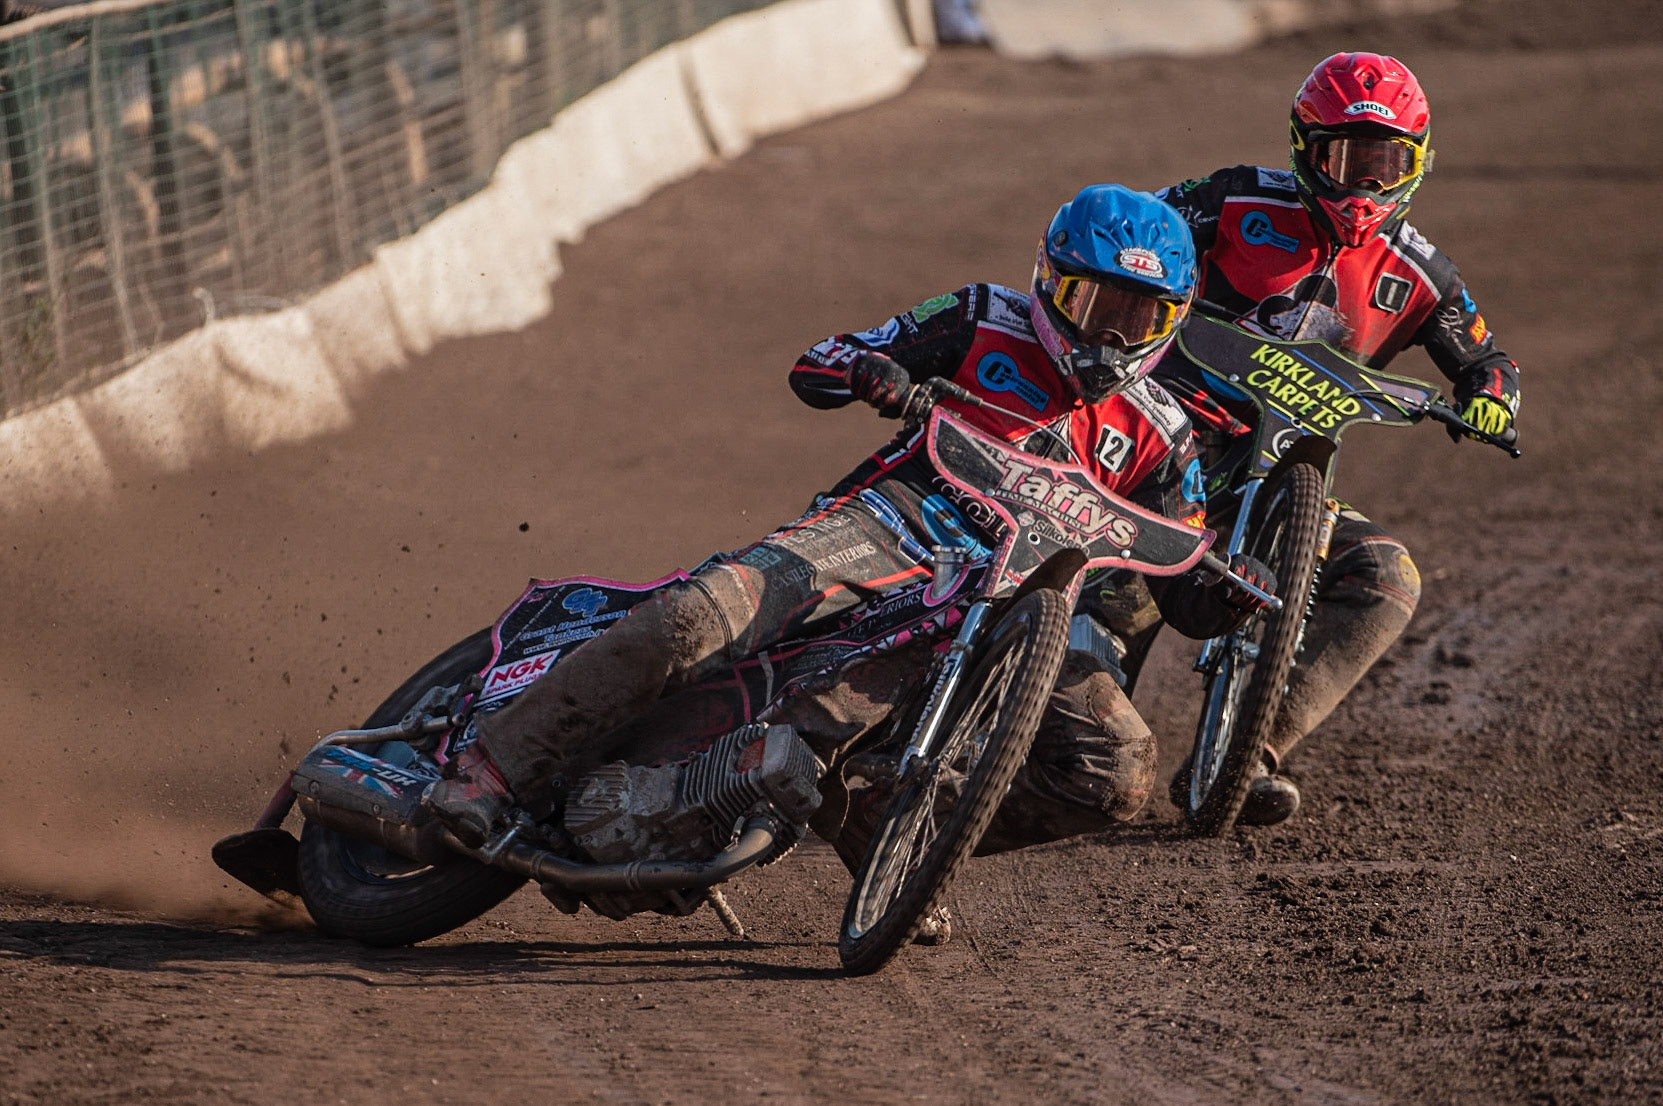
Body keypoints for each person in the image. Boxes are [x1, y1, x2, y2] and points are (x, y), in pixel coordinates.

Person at [423, 184, 1274, 900]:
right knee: (697, 618)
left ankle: (892, 830)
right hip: (896, 524)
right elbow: (823, 360)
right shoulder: (982, 316)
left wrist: (1227, 587)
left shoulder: (1165, 430)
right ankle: (493, 770)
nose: (1111, 338)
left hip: (1021, 604)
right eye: (1096, 307)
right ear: (1051, 285)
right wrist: (873, 373)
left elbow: (1182, 567)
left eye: (1140, 316)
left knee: (1115, 769)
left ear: (1174, 318)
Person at [1124, 51, 1521, 826]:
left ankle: (1252, 750)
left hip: (1277, 475)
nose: (1362, 186)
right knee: (1105, 658)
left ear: (1418, 163)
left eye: (1384, 164)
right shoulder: (1231, 199)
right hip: (1153, 447)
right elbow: (1123, 241)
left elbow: (1486, 358)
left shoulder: (1421, 273)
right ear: (1304, 150)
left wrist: (1493, 400)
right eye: (1343, 160)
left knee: (1386, 579)